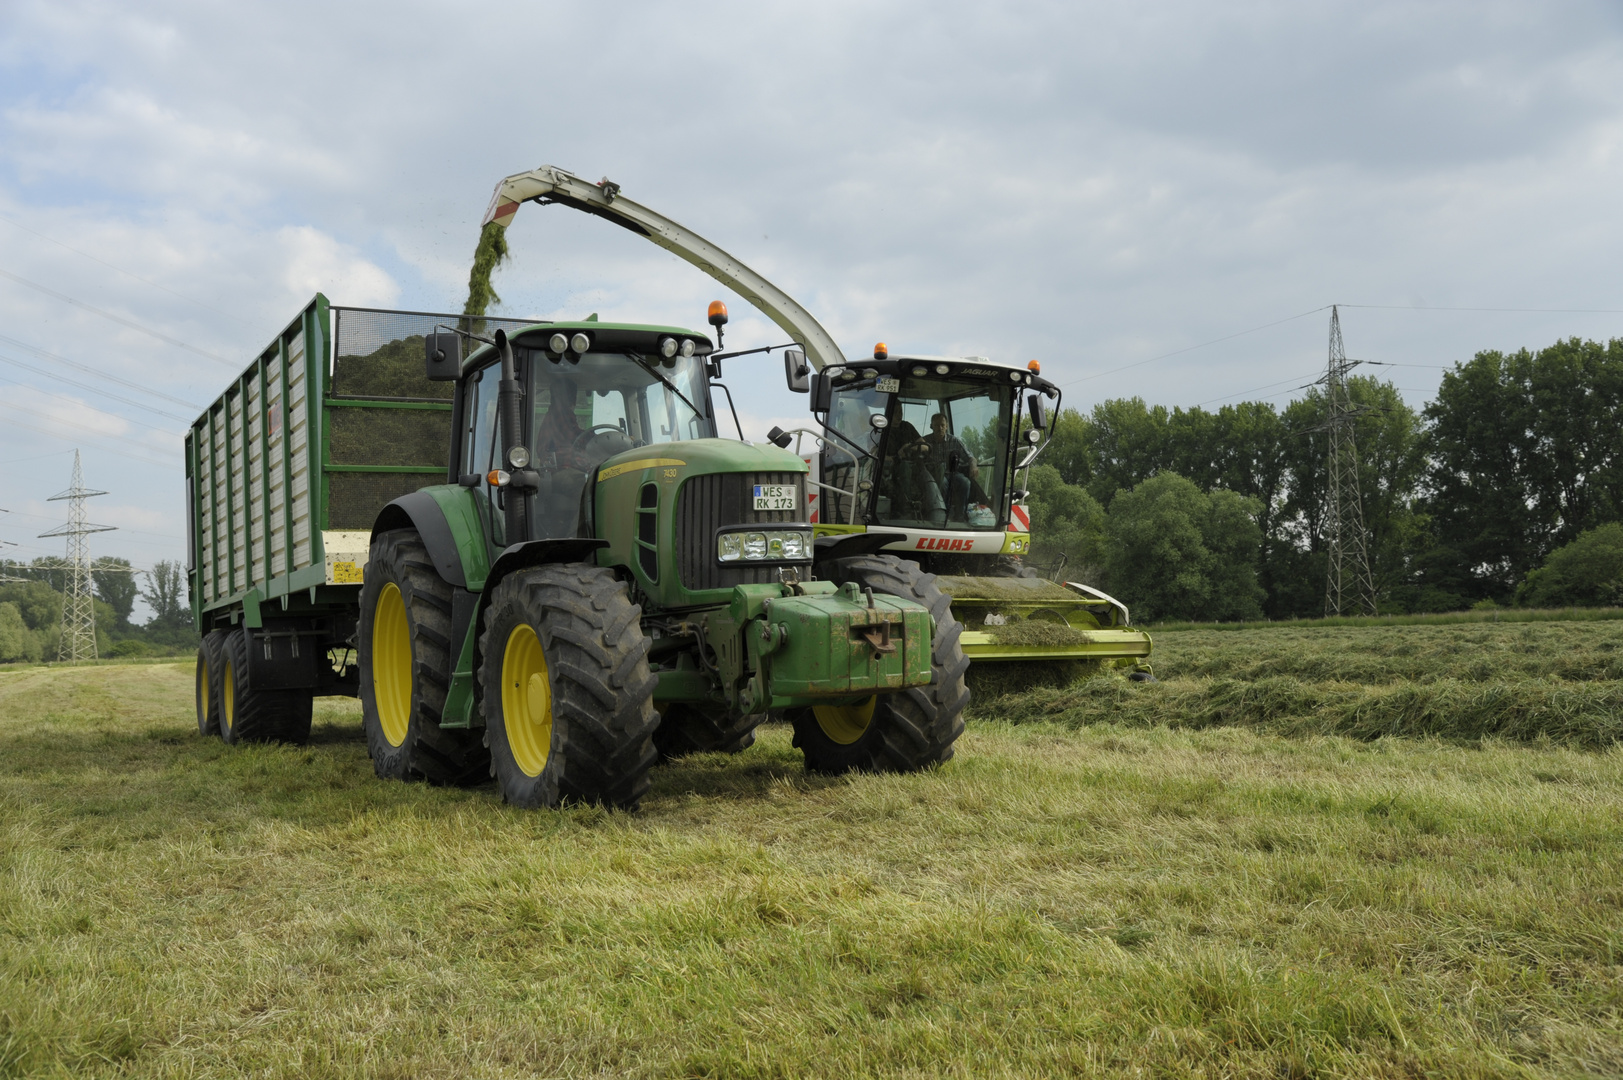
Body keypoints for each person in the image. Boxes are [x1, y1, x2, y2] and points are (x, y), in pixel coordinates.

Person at [922, 412, 977, 521]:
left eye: (942, 425)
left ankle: (960, 515)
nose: (940, 428)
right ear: (931, 426)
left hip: (952, 473)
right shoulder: (925, 441)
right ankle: (943, 515)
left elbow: (970, 457)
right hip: (932, 475)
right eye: (937, 425)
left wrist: (973, 466)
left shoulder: (954, 441)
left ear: (947, 426)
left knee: (965, 482)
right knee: (942, 483)